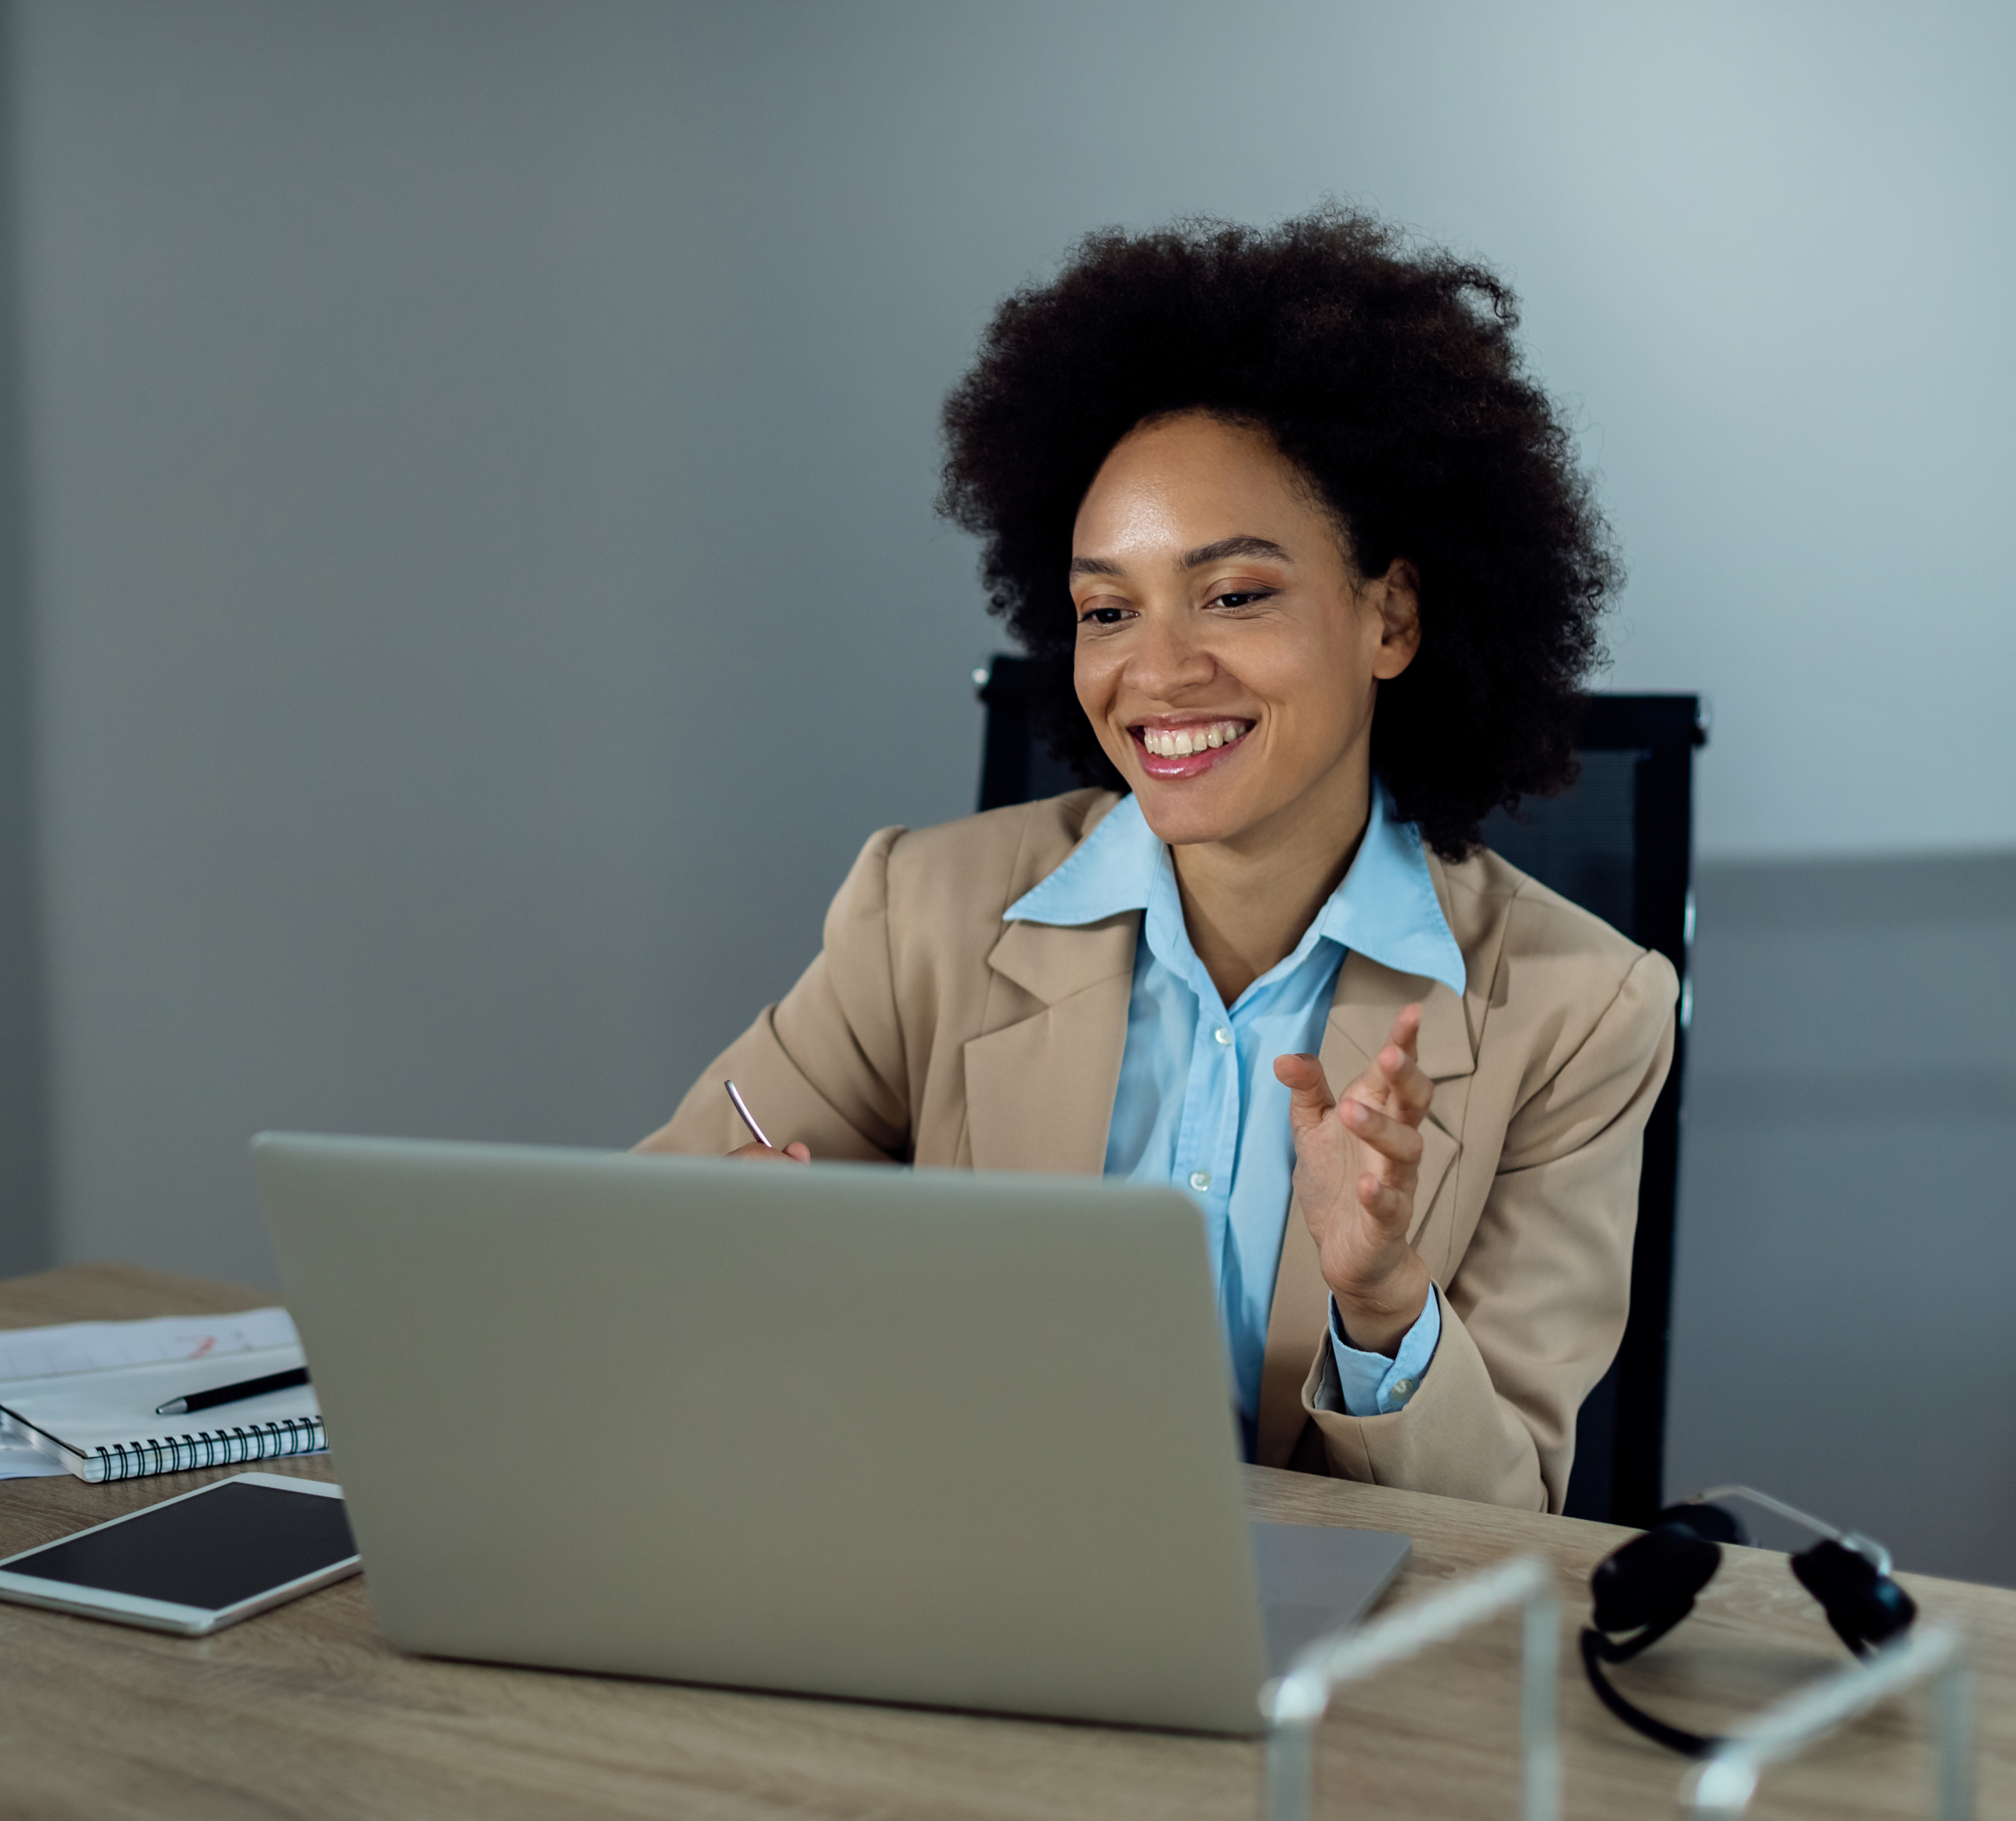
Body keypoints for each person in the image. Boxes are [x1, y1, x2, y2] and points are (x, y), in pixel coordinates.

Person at [638, 209, 1677, 1513]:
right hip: (957, 1596)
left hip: (1323, 1675)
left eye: (1234, 594)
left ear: (1392, 616)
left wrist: (1381, 1302)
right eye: (1106, 610)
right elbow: (651, 1241)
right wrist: (722, 1252)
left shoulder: (1584, 1012)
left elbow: (1507, 1518)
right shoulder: (926, 912)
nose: (1158, 672)